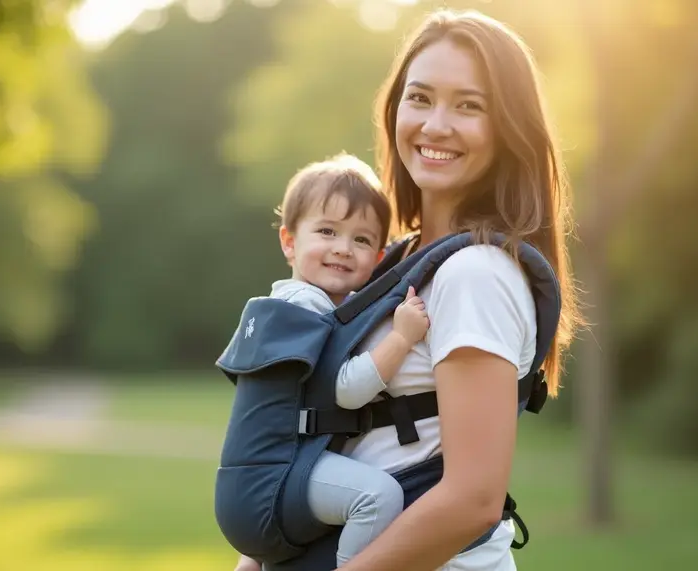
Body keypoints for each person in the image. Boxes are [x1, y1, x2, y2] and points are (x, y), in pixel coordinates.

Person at [242, 8, 582, 571]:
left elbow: (473, 501)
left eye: (468, 105)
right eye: (420, 98)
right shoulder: (396, 259)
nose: (436, 124)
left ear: (507, 129)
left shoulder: (476, 274)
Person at [234, 153, 432, 571]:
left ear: (378, 258)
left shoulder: (298, 304)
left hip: (256, 480)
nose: (343, 249)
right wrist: (401, 338)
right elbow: (347, 389)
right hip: (276, 476)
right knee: (378, 497)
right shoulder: (304, 304)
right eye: (327, 231)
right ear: (289, 241)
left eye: (361, 240)